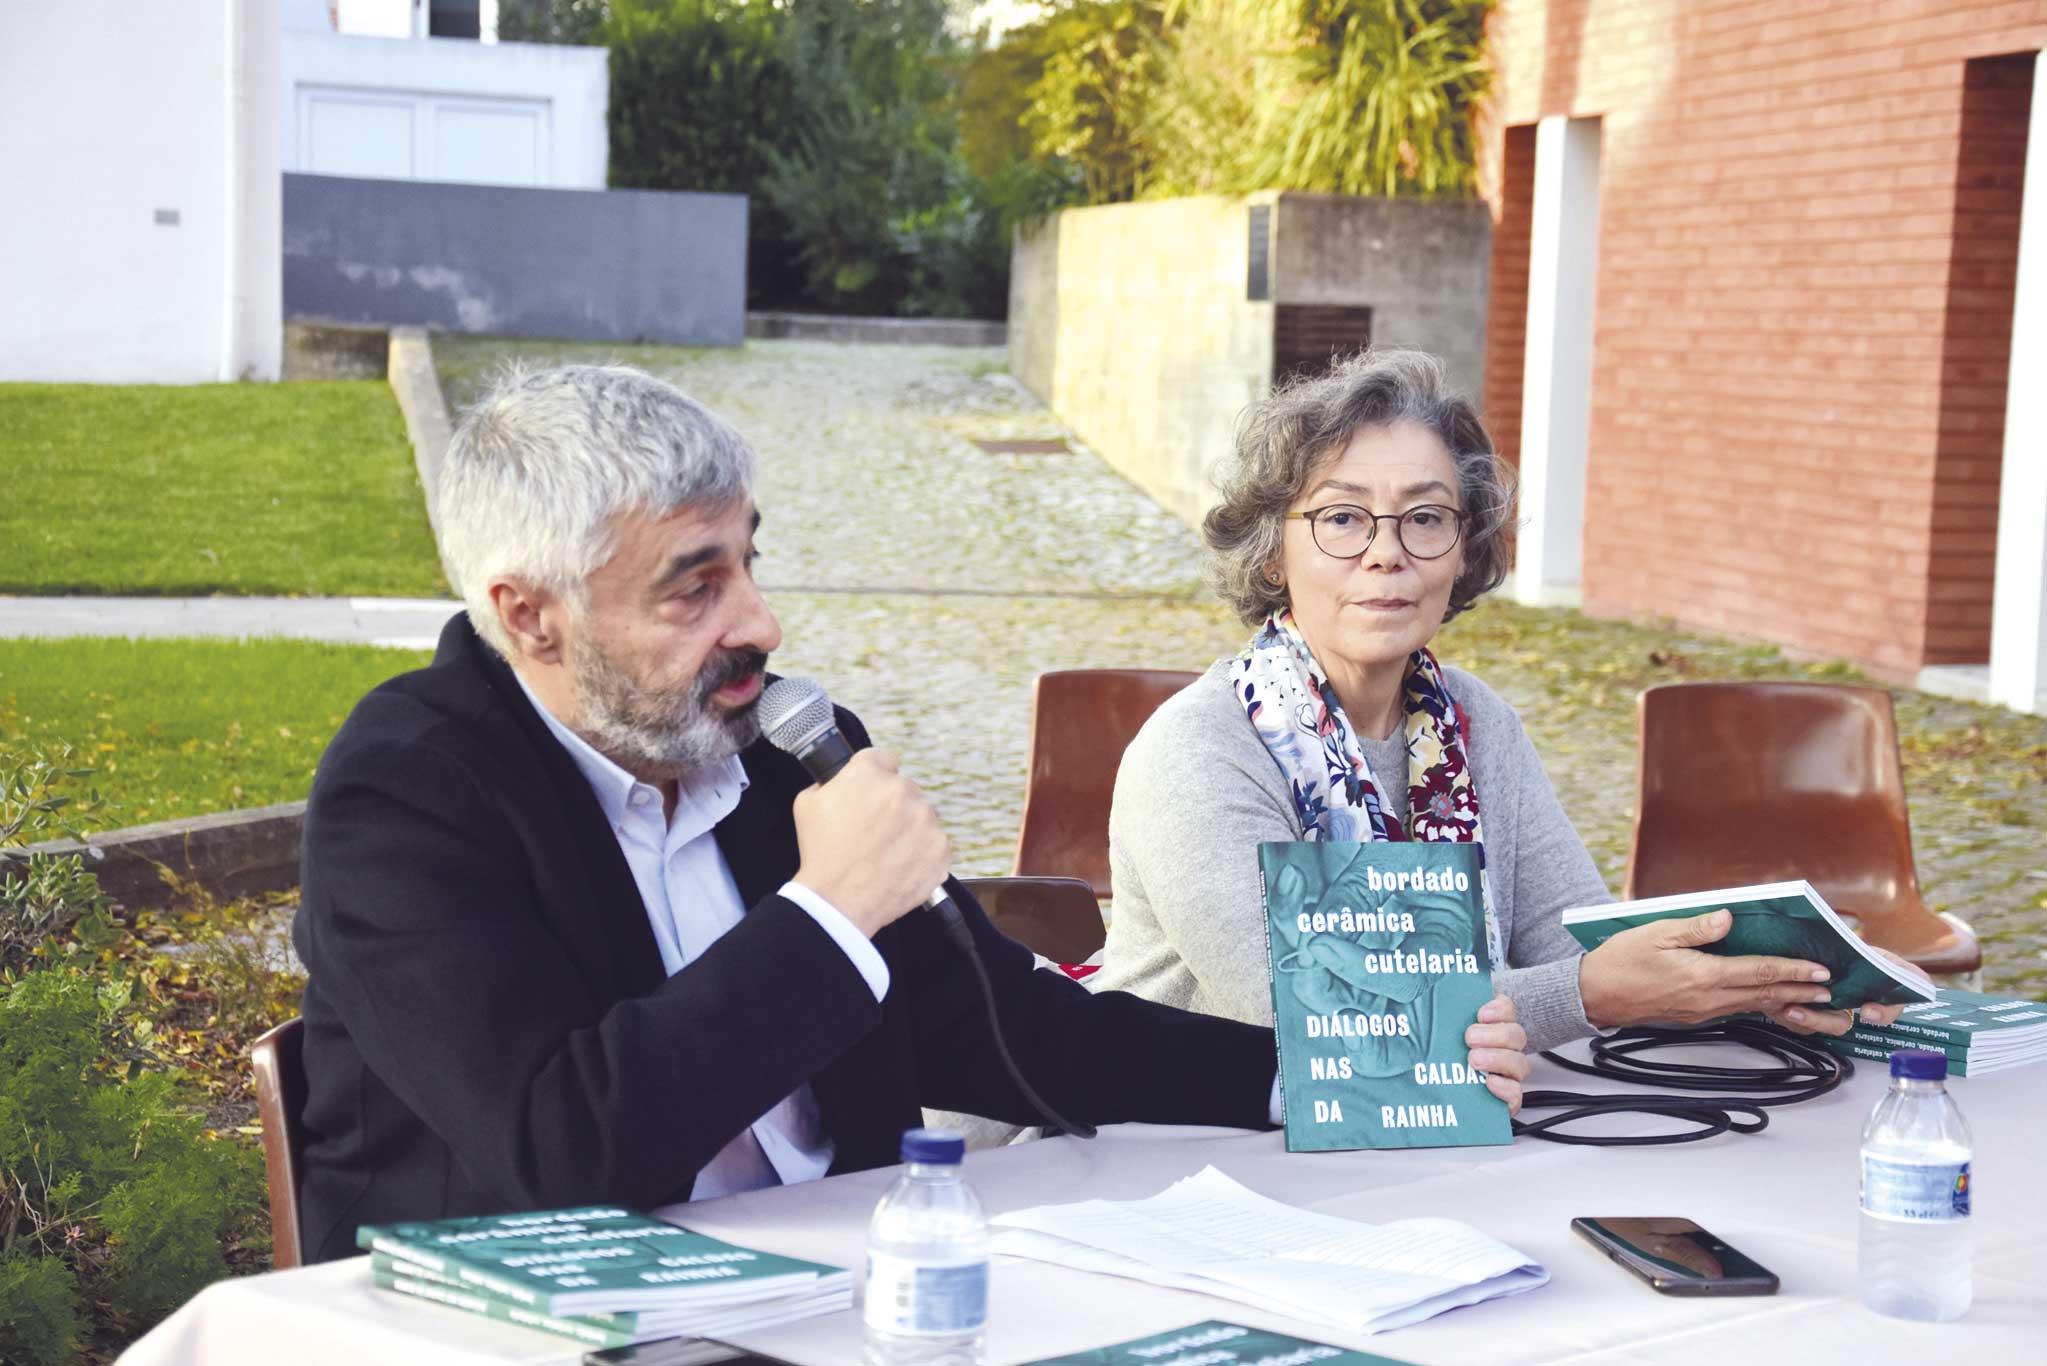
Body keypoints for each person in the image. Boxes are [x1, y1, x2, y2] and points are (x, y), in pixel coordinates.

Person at [289, 363, 1536, 1263]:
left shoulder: (778, 752)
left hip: (842, 1293)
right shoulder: (408, 793)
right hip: (532, 1323)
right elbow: (558, 1148)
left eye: (750, 561)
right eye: (693, 586)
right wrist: (830, 911)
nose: (758, 623)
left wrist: (1341, 1075)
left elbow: (1013, 1033)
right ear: (529, 615)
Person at [1089, 349, 1916, 1051]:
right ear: (1273, 554)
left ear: (1463, 553)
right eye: (1342, 520)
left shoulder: (1478, 723)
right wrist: (1586, 996)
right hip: (1189, 1143)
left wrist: (1769, 988)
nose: (1386, 554)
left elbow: (1573, 942)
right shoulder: (1197, 749)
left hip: (1439, 1130)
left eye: (1425, 518)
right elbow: (1296, 1012)